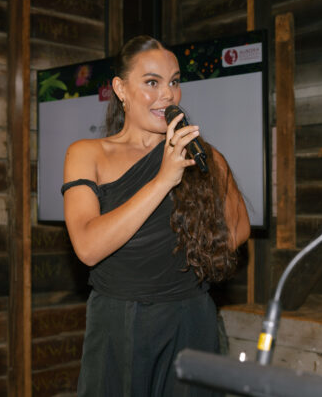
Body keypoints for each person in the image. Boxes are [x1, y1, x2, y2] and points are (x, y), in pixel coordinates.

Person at [61, 35, 250, 397]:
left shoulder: (199, 153)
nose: (167, 95)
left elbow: (238, 229)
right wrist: (163, 179)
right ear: (121, 89)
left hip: (190, 318)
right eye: (152, 82)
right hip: (120, 321)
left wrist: (189, 253)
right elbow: (87, 247)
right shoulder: (87, 153)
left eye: (174, 82)